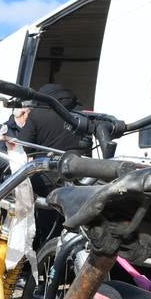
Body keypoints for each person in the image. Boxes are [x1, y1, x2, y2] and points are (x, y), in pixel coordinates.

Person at [12, 82, 92, 248]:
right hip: (81, 177)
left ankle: (43, 260)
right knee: (75, 225)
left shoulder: (38, 114)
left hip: (47, 179)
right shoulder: (82, 114)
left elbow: (24, 146)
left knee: (46, 225)